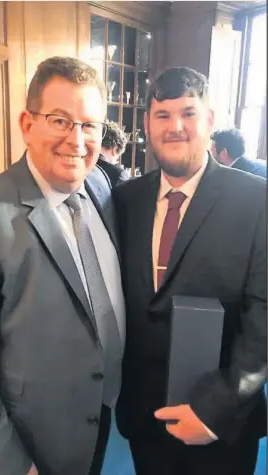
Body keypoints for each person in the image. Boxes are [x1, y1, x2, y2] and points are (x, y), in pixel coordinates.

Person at [113, 67, 266, 475]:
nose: (175, 127)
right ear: (147, 124)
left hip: (220, 424)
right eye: (162, 115)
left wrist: (219, 409)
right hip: (145, 417)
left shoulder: (256, 200)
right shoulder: (125, 200)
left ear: (211, 121)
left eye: (189, 113)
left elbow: (263, 317)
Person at [0, 56, 125, 475]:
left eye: (89, 125)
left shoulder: (99, 185)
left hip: (102, 415)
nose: (78, 140)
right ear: (27, 124)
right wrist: (12, 464)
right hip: (31, 438)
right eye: (61, 120)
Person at [97, 121, 130, 187]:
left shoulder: (84, 164)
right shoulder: (118, 174)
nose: (117, 161)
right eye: (118, 157)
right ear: (115, 150)